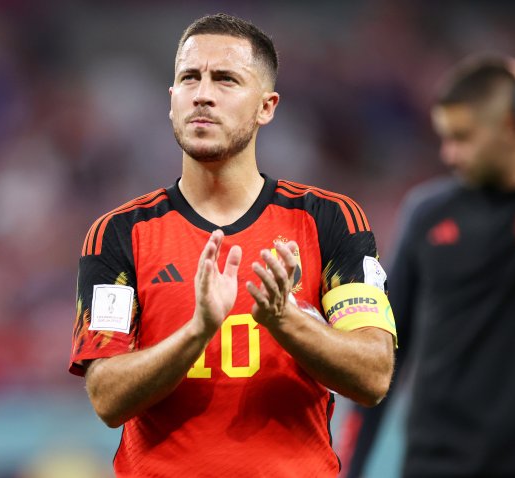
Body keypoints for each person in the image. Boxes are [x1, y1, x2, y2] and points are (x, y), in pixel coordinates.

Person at [68, 13, 397, 477]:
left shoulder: (330, 221)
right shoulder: (119, 232)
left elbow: (373, 375)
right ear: (171, 100)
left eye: (225, 79)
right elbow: (106, 397)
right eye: (189, 78)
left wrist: (285, 321)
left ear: (267, 106)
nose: (203, 93)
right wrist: (197, 330)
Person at [341, 56, 515, 477]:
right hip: (438, 465)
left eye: (463, 137)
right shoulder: (428, 214)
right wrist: (349, 468)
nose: (449, 153)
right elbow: (383, 353)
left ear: (511, 126)